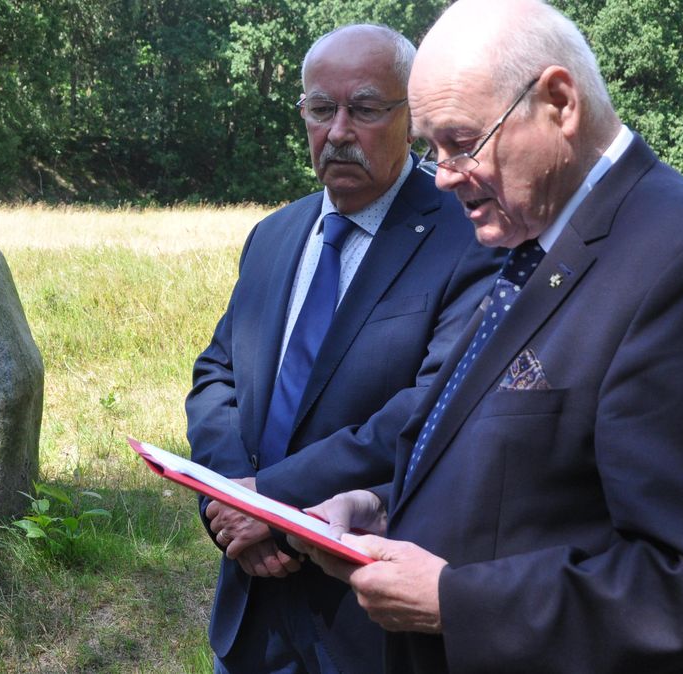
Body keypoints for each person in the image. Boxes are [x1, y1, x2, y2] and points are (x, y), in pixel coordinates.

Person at [291, 1, 683, 672]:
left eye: (461, 142)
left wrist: (457, 602)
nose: (443, 175)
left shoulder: (681, 259)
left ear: (559, 103)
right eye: (431, 147)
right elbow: (541, 477)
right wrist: (387, 506)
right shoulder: (541, 229)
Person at [185, 24, 503, 673]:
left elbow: (430, 411)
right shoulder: (274, 235)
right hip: (251, 609)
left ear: (411, 117)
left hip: (369, 618)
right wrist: (225, 500)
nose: (337, 132)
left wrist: (263, 501)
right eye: (320, 110)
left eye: (363, 108)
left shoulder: (468, 240)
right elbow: (219, 371)